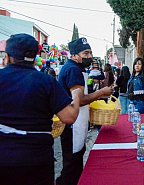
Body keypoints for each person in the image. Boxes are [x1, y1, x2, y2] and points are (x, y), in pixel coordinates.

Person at [0, 33, 81, 185]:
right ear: (35, 57)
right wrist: (76, 95)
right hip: (37, 160)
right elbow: (69, 117)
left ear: (8, 57)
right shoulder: (46, 81)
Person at [56, 37, 113, 185]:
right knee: (71, 167)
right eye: (85, 53)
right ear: (74, 55)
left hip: (77, 124)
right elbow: (79, 100)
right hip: (73, 126)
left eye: (90, 53)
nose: (89, 57)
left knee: (75, 164)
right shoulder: (73, 70)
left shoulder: (75, 69)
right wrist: (101, 93)